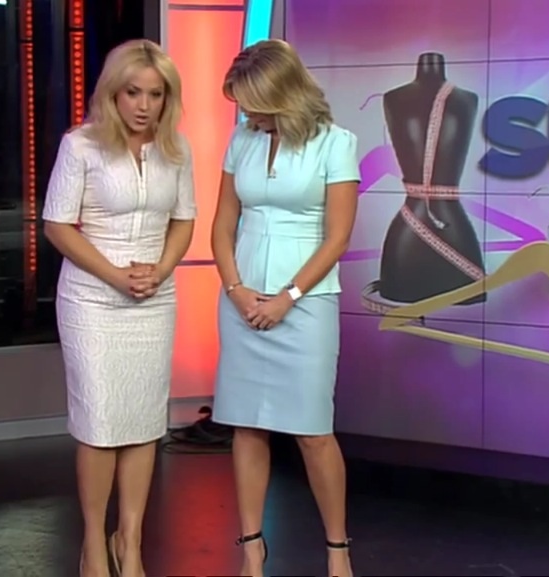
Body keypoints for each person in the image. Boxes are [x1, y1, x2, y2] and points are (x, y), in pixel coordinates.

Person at [41, 38, 195, 577]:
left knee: (144, 422)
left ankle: (129, 543)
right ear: (113, 91)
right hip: (92, 300)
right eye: (133, 92)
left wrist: (163, 269)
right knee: (101, 423)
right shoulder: (80, 145)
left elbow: (184, 220)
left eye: (155, 94)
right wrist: (114, 275)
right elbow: (57, 225)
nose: (144, 105)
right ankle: (92, 543)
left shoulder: (176, 148)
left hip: (153, 300)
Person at [210, 39, 360, 577]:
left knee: (313, 432)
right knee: (246, 425)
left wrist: (287, 298)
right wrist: (235, 288)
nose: (247, 114)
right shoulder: (242, 140)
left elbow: (338, 237)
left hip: (306, 305)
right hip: (243, 300)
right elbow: (223, 225)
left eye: (255, 104)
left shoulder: (336, 143)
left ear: (284, 94)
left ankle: (337, 552)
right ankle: (252, 550)